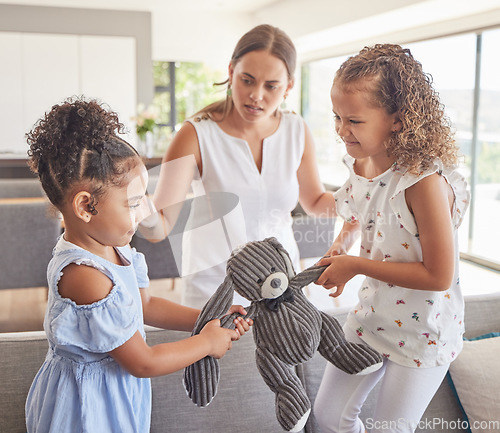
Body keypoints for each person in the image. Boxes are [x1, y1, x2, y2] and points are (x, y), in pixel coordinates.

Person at [24, 97, 252, 433]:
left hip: (115, 394)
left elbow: (144, 305)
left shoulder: (118, 247)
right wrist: (205, 342)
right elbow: (142, 362)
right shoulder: (84, 277)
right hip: (85, 409)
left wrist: (209, 320)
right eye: (133, 203)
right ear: (86, 206)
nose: (144, 214)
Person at [312, 44, 470, 433]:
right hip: (374, 315)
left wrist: (354, 267)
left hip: (424, 330)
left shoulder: (423, 182)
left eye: (354, 120)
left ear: (397, 120)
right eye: (336, 117)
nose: (341, 130)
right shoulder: (360, 161)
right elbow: (357, 211)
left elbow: (438, 275)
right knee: (329, 416)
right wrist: (341, 246)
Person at [141, 24, 336, 308]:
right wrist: (136, 205)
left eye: (271, 86)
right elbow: (159, 228)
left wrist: (363, 196)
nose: (257, 95)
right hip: (214, 289)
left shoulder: (296, 130)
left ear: (289, 87)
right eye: (247, 80)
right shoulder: (196, 134)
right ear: (231, 72)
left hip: (281, 283)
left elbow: (317, 202)